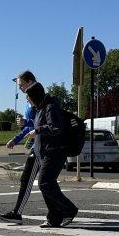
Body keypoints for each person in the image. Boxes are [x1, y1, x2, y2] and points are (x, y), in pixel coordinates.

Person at [27, 82, 78, 228]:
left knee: (45, 183)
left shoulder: (50, 107)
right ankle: (54, 218)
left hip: (54, 152)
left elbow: (55, 128)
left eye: (29, 97)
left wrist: (37, 130)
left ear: (35, 96)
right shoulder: (42, 108)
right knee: (47, 184)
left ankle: (68, 210)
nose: (27, 99)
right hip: (46, 152)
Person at [0, 71, 40, 224]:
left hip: (42, 145)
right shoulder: (29, 100)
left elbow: (41, 122)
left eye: (22, 85)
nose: (20, 88)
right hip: (39, 144)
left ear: (30, 81)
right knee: (46, 182)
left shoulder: (38, 98)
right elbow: (31, 124)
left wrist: (28, 125)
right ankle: (65, 210)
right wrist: (16, 139)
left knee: (31, 179)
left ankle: (17, 213)